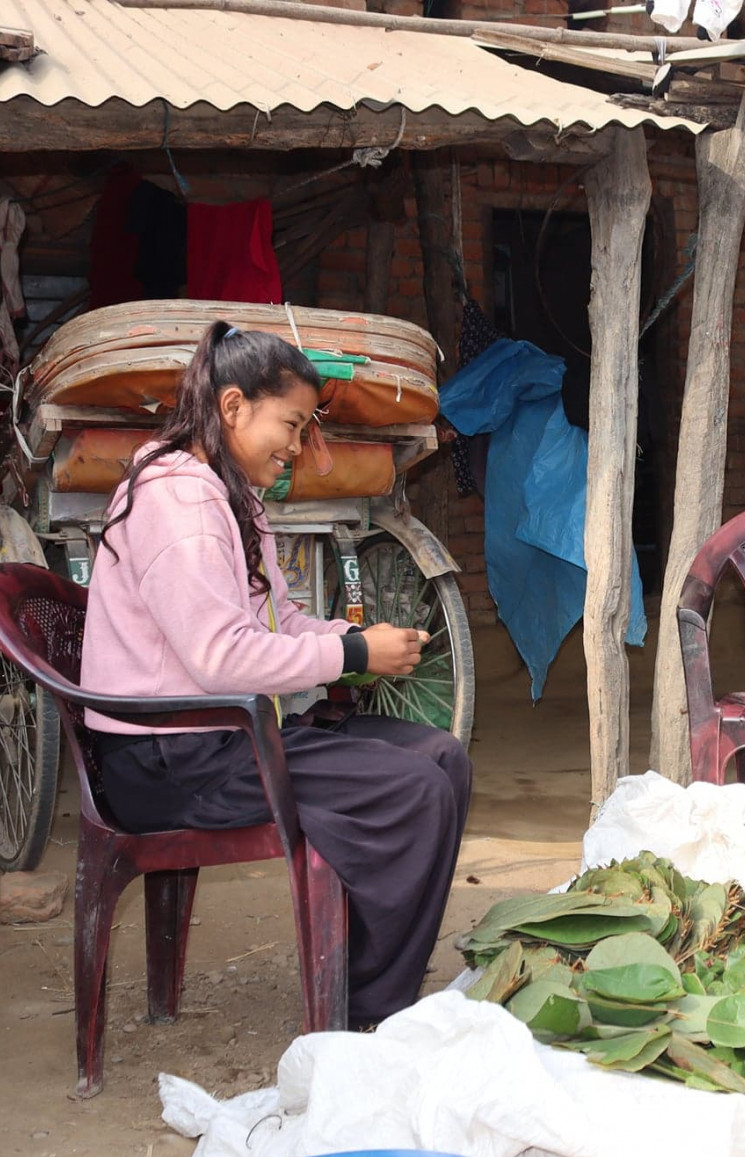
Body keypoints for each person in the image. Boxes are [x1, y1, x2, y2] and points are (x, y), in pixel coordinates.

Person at [81, 321, 472, 1030]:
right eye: (290, 424)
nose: (296, 445)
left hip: (222, 736)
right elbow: (224, 657)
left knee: (441, 758)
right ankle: (369, 1018)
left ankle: (367, 985)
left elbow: (278, 626)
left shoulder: (229, 496)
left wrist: (354, 638)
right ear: (233, 408)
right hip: (170, 759)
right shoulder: (180, 500)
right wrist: (353, 657)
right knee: (413, 790)